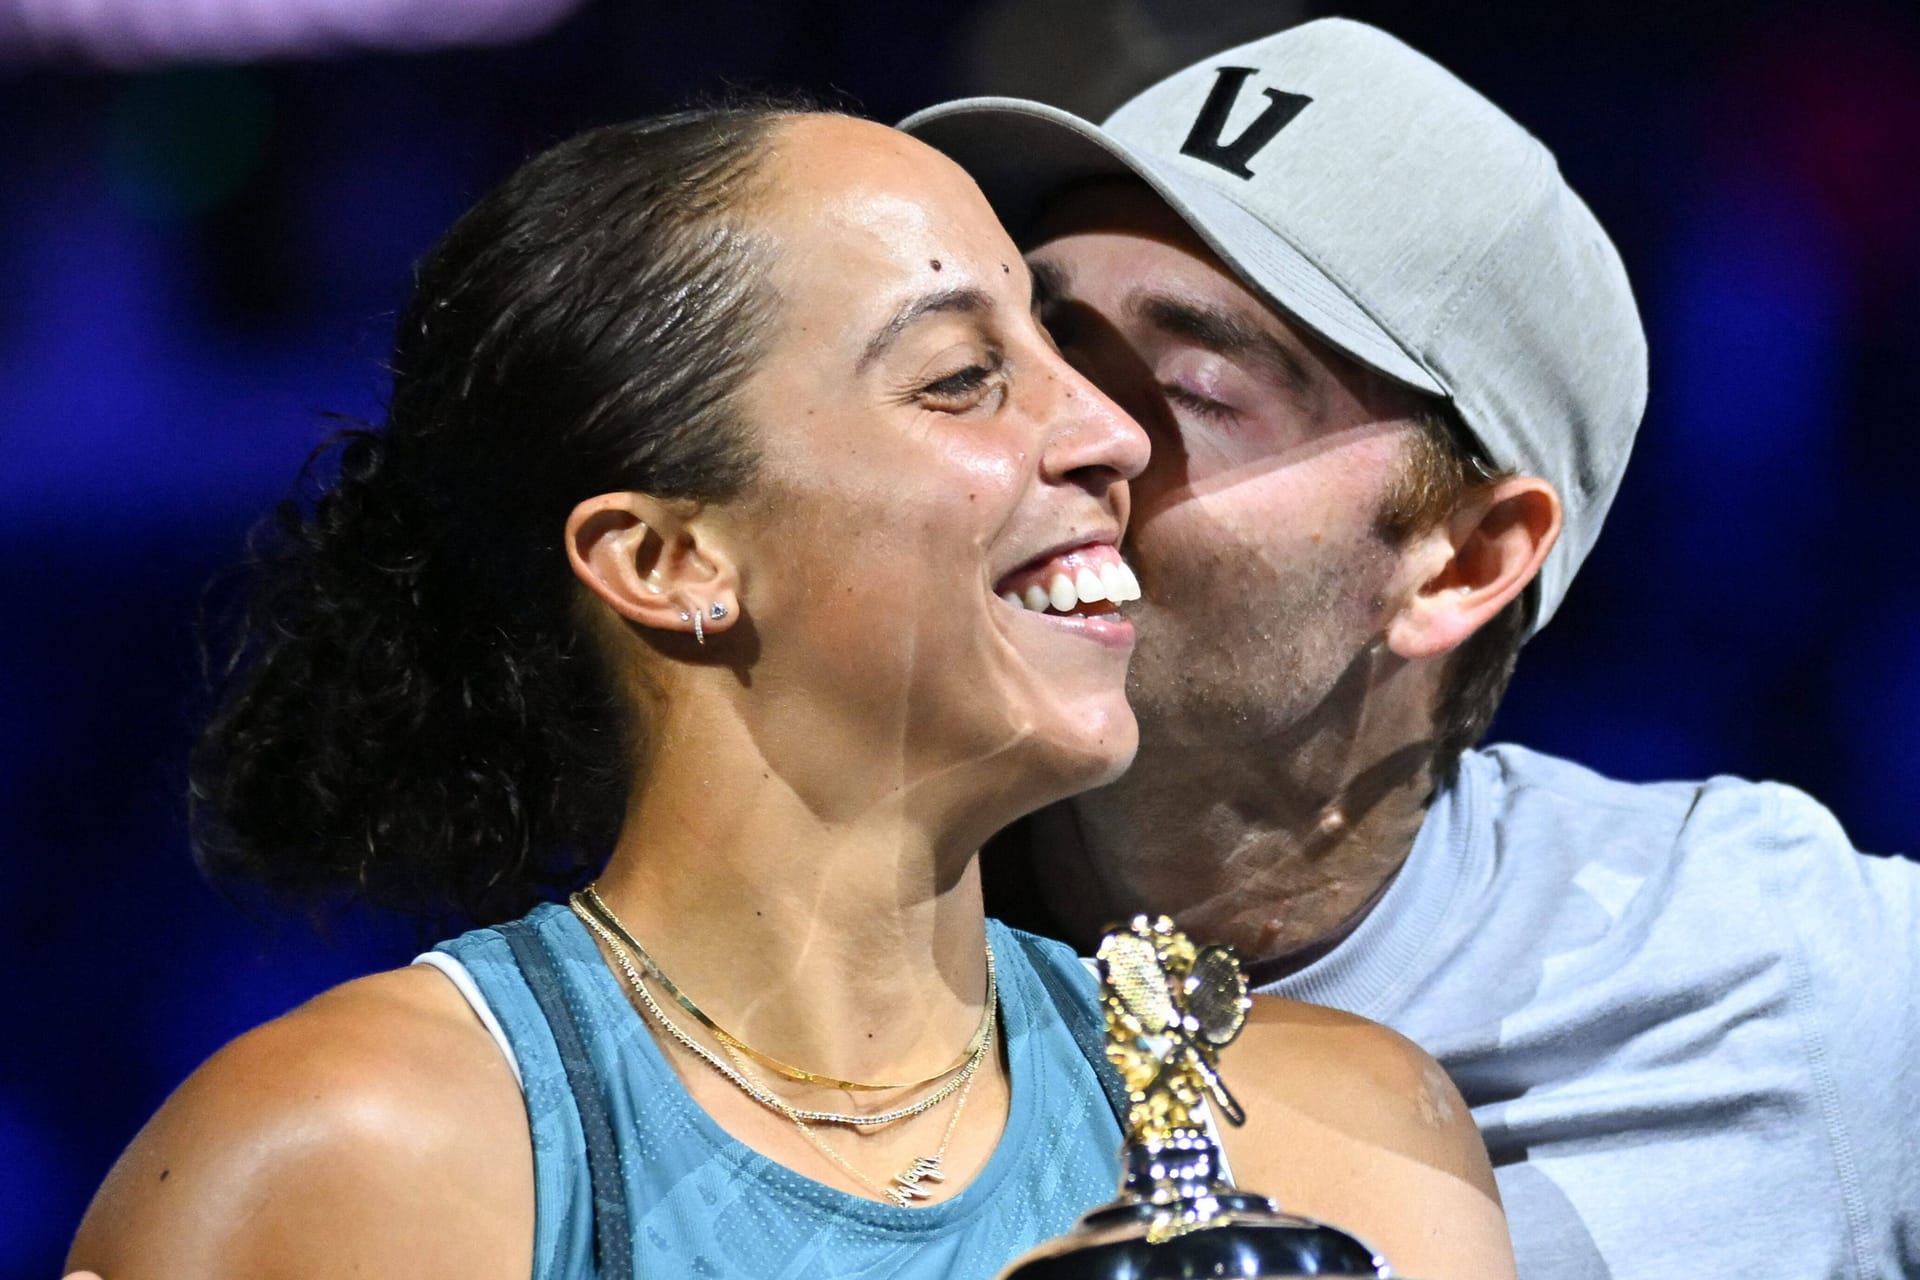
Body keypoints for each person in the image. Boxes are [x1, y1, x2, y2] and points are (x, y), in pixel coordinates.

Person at [63, 103, 1514, 1279]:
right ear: (668, 558)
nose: (1109, 431)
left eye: (1056, 354)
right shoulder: (358, 1160)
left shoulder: (1335, 1143)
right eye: (961, 378)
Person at [905, 17, 1920, 1280]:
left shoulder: (1785, 968)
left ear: (1463, 558)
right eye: (1028, 352)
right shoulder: (801, 954)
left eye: (1188, 391)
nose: (1062, 438)